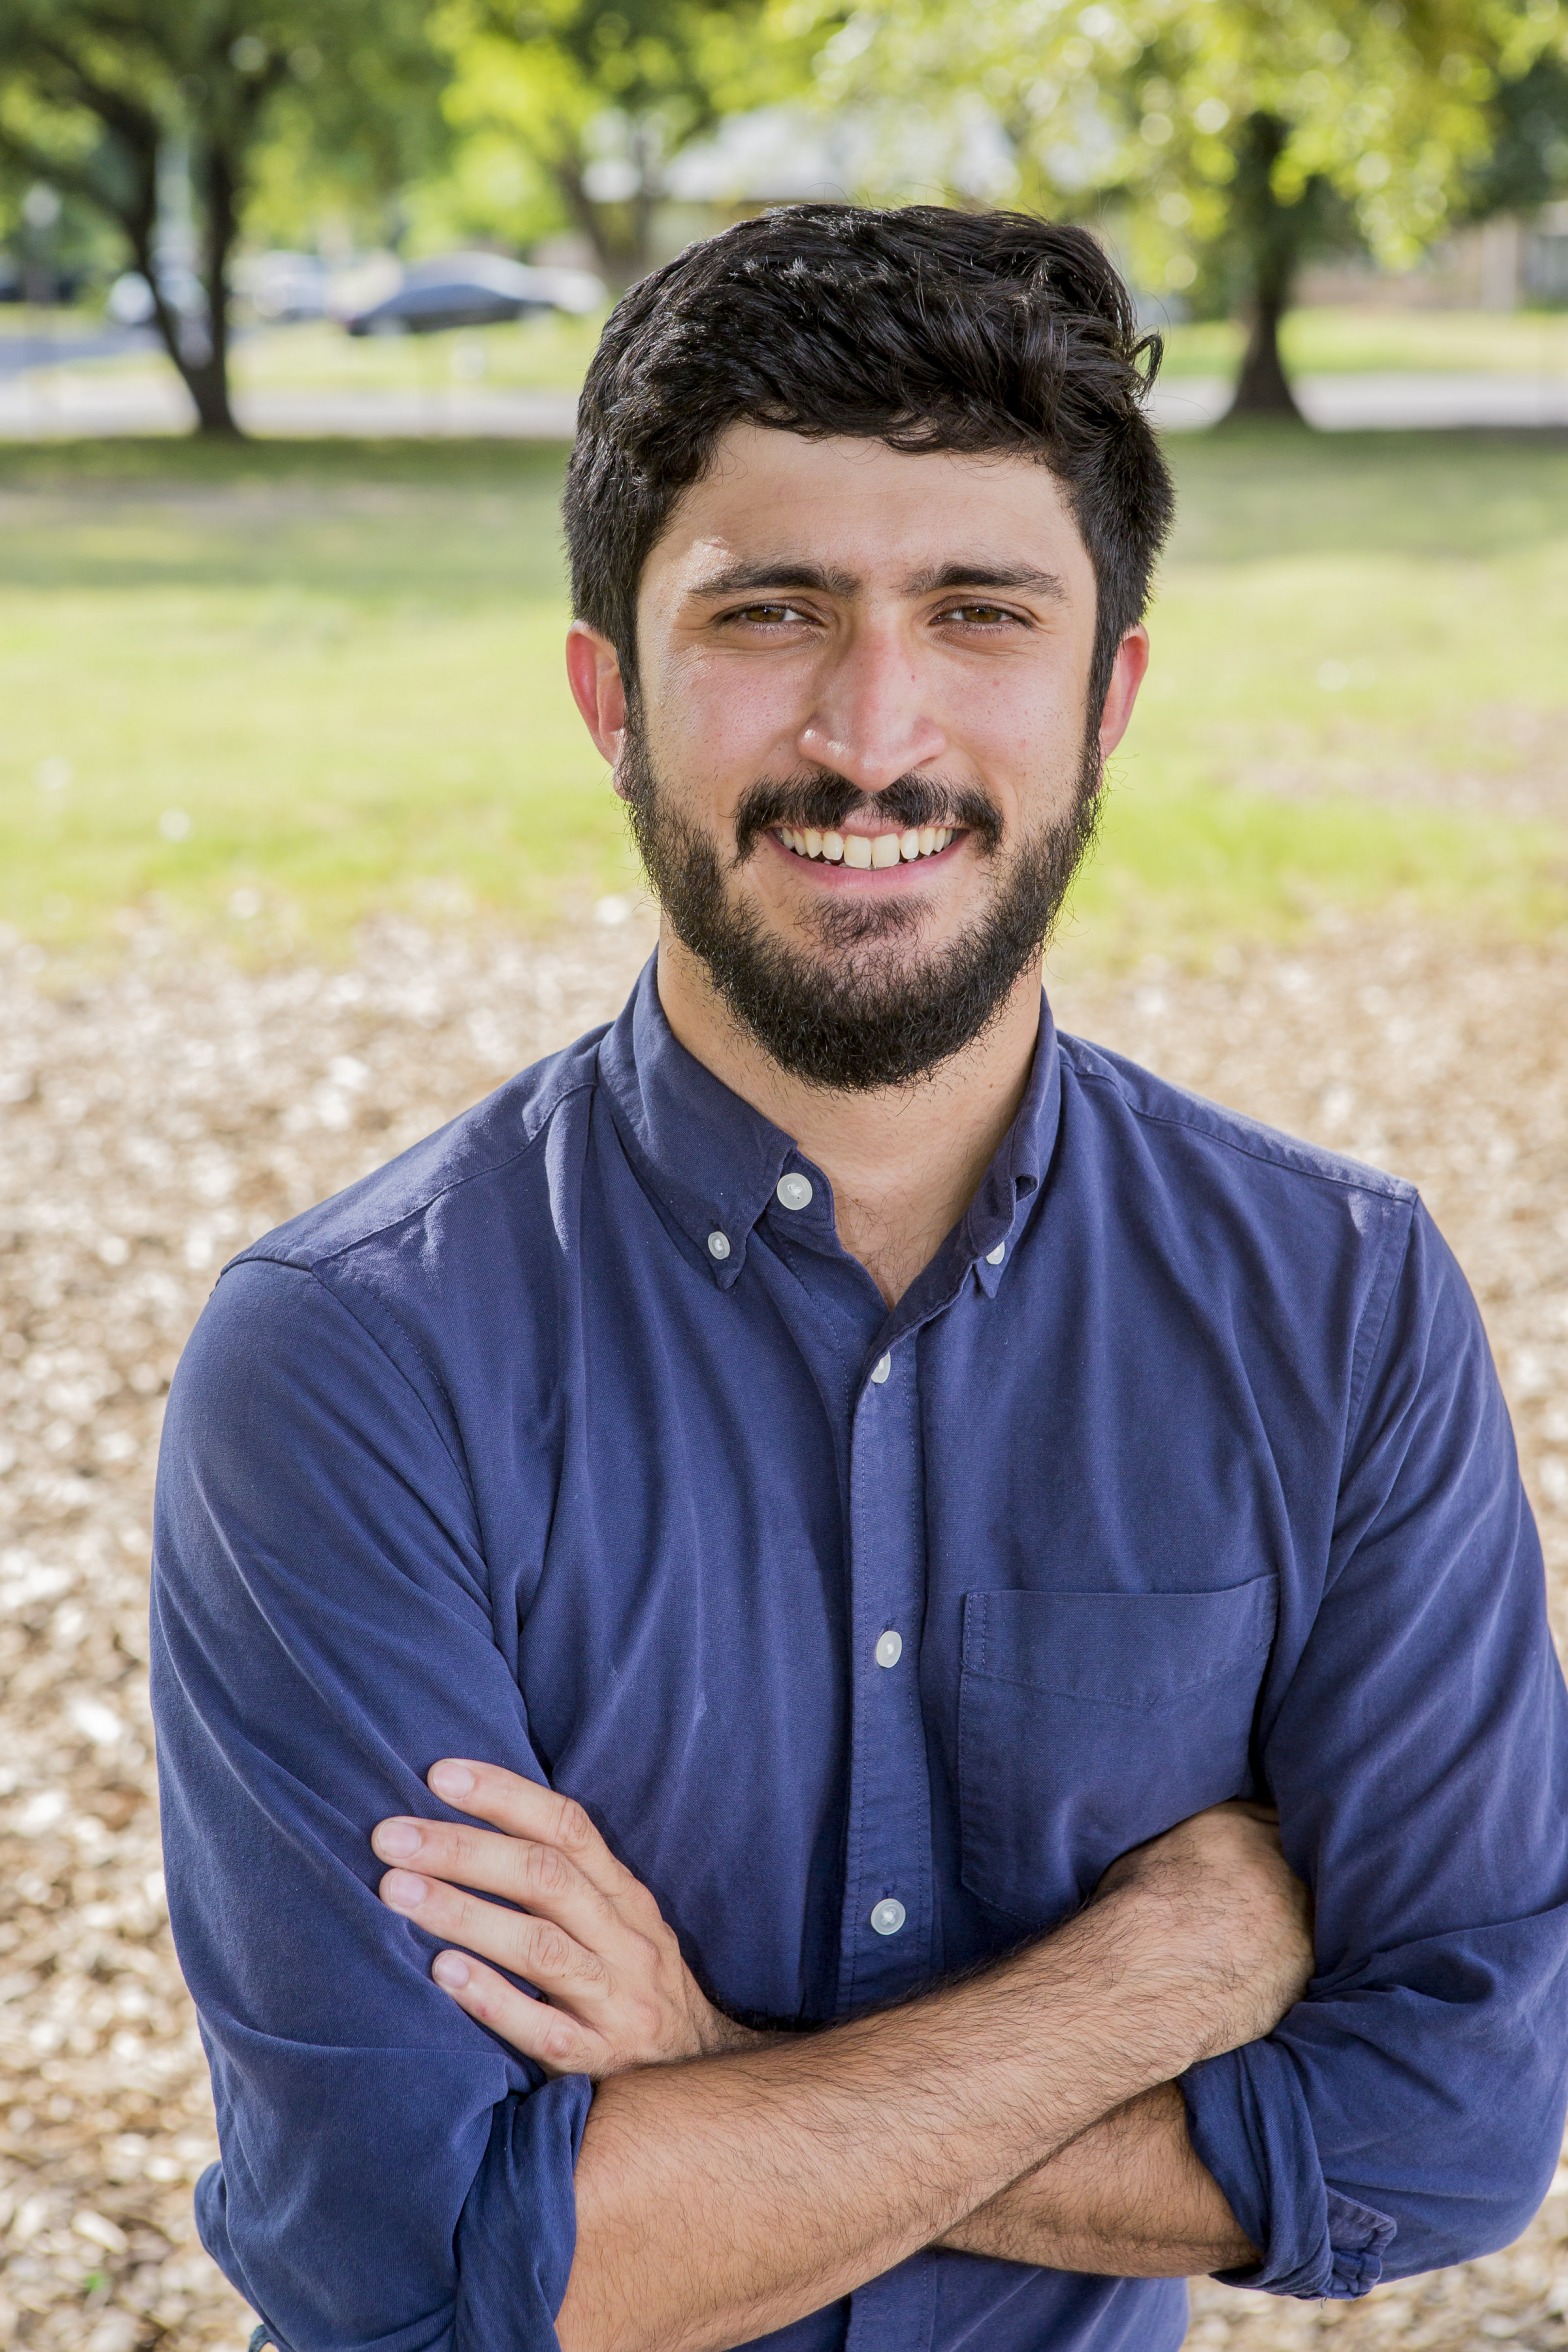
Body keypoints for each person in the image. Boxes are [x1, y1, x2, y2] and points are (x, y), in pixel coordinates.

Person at [150, 206, 1568, 2352]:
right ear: (608, 697)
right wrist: (1153, 1977)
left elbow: (1454, 2126)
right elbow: (427, 2265)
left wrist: (697, 2074)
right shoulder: (353, 1361)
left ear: (1108, 700)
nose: (872, 730)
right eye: (771, 610)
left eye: (978, 610)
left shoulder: (1333, 1307)